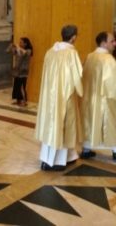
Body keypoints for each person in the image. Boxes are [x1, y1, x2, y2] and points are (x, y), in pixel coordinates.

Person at [35, 25, 83, 171]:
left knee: (53, 125)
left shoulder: (50, 51)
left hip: (50, 96)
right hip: (64, 95)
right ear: (73, 37)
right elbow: (77, 75)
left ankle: (68, 156)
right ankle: (53, 161)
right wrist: (82, 91)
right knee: (62, 126)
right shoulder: (71, 53)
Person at [81, 32, 116, 160]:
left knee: (89, 121)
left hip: (88, 99)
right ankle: (114, 149)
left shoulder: (89, 57)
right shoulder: (109, 60)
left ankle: (86, 148)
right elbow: (112, 84)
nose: (114, 43)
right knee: (110, 122)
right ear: (103, 42)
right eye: (112, 41)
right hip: (104, 100)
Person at [7, 37, 33, 106]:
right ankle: (18, 100)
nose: (19, 43)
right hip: (17, 71)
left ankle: (24, 101)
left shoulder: (28, 51)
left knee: (22, 87)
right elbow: (8, 51)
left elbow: (23, 53)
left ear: (25, 43)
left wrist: (18, 47)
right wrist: (11, 46)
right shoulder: (18, 50)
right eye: (19, 42)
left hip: (23, 72)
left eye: (21, 42)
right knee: (16, 86)